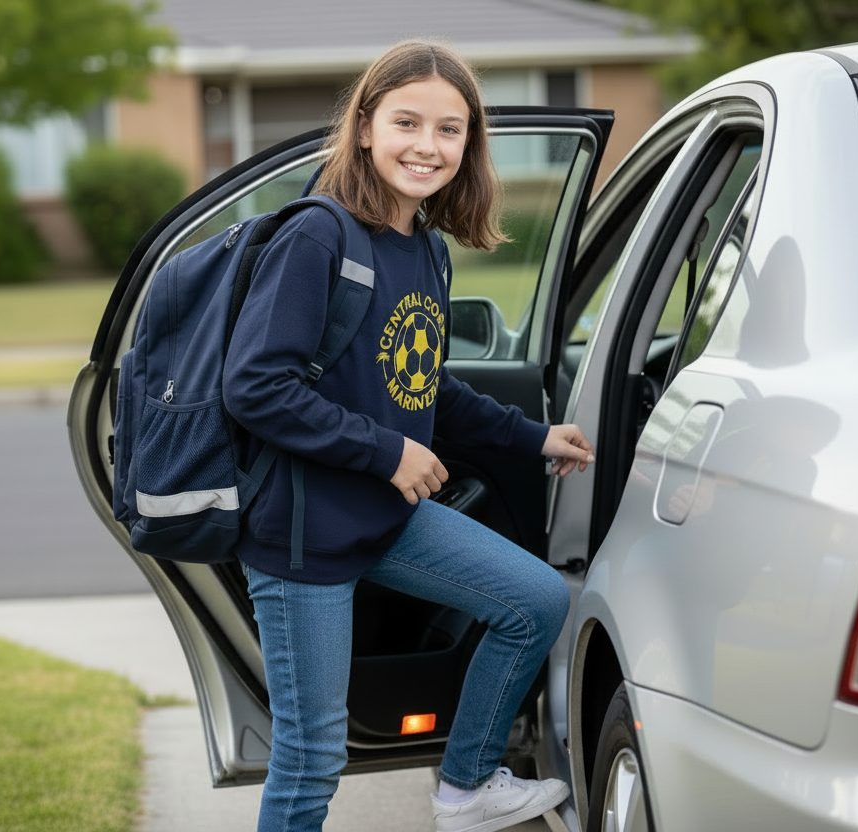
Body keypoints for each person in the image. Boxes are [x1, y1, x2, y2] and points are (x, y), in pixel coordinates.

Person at [222, 39, 596, 832]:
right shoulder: (318, 236)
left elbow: (427, 388)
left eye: (450, 130)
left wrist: (534, 438)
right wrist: (386, 451)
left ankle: (464, 788)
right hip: (303, 532)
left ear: (470, 145)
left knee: (533, 601)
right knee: (314, 751)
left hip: (382, 515)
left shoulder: (424, 248)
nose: (428, 146)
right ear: (364, 127)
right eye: (407, 122)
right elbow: (255, 385)